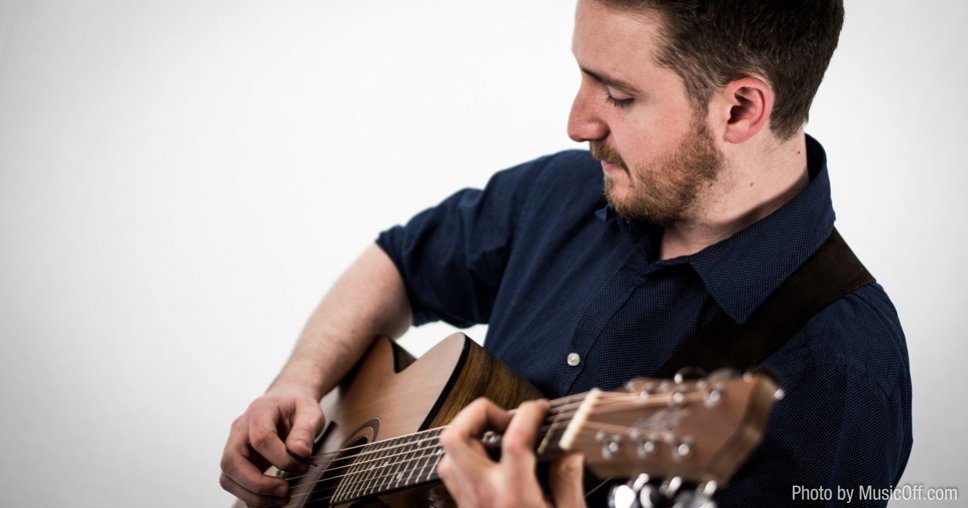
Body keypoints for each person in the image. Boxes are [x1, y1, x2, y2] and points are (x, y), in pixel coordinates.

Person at [220, 0, 913, 506]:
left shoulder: (844, 374)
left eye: (619, 94)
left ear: (740, 110)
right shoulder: (569, 188)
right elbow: (400, 263)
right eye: (584, 77)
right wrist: (298, 382)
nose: (577, 122)